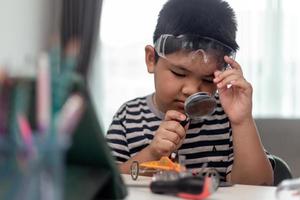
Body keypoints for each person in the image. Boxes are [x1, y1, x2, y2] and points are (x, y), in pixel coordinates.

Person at [106, 0, 274, 185]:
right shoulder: (128, 117)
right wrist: (153, 154)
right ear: (151, 59)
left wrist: (242, 121)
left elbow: (260, 187)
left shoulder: (227, 119)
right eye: (179, 73)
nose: (191, 90)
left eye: (208, 80)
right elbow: (108, 182)